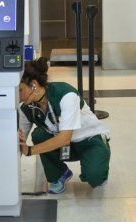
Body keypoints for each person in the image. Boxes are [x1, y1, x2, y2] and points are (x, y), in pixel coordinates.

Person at [18, 57, 111, 194]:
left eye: (20, 90)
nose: (17, 95)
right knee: (39, 135)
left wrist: (30, 150)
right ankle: (60, 174)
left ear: (34, 85)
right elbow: (19, 139)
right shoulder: (27, 108)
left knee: (95, 177)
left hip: (90, 140)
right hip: (65, 146)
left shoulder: (65, 95)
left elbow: (64, 139)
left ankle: (100, 164)